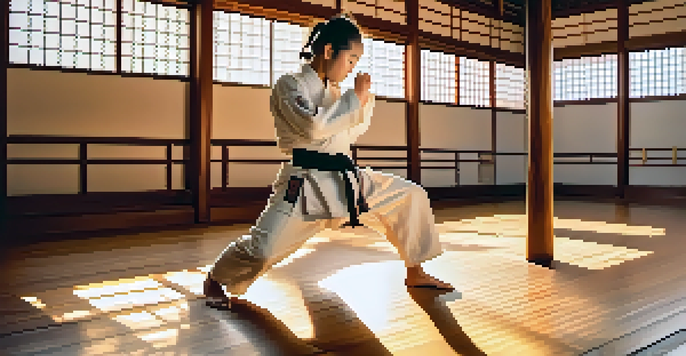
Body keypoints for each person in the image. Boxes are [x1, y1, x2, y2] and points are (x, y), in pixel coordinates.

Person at [203, 12, 453, 309]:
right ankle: (215, 279)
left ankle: (415, 271)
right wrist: (353, 100)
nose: (352, 68)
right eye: (351, 59)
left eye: (357, 62)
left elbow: (351, 132)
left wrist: (362, 102)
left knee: (411, 195)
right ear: (328, 51)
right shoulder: (289, 85)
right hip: (305, 182)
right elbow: (312, 128)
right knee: (264, 249)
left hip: (345, 180)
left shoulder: (337, 92)